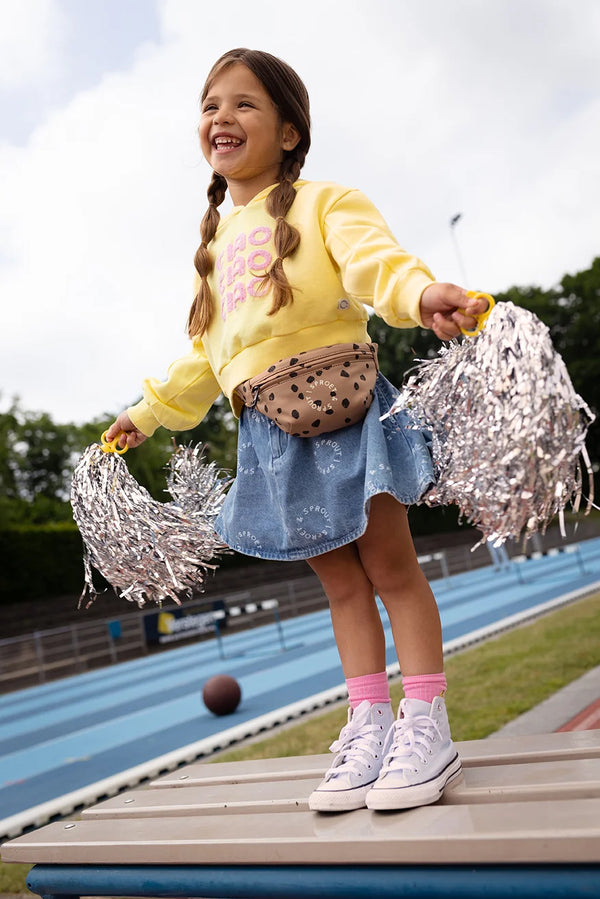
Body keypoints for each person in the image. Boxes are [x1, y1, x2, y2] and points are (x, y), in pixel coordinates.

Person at [106, 48, 488, 812]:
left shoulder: (324, 203)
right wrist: (147, 411)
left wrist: (421, 295)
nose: (222, 116)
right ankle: (369, 723)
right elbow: (210, 356)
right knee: (341, 584)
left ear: (288, 132)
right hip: (270, 434)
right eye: (211, 105)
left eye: (243, 103)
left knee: (391, 567)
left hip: (344, 405)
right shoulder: (213, 251)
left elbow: (377, 264)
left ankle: (426, 721)